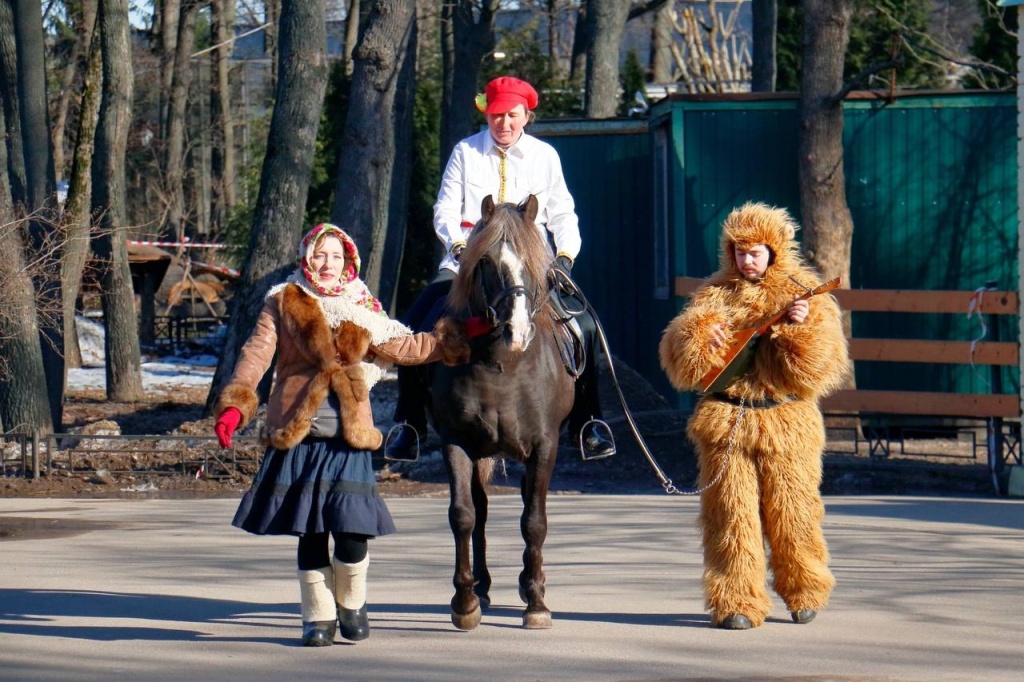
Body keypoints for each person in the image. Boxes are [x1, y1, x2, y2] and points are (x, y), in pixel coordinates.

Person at [213, 223, 467, 647]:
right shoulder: (283, 300)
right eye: (319, 254)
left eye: (336, 256)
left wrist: (458, 341)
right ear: (306, 257)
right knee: (310, 532)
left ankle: (351, 602)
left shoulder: (363, 307)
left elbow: (407, 348)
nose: (327, 263)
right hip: (300, 432)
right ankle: (317, 617)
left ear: (348, 262)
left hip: (349, 435)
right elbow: (256, 355)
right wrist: (235, 407)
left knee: (352, 533)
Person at [387, 75, 615, 461]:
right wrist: (458, 247)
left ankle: (588, 421)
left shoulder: (545, 156)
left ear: (527, 116)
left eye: (511, 115)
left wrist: (564, 257)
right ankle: (409, 423)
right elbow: (444, 207)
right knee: (417, 321)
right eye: (496, 116)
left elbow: (563, 212)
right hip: (469, 262)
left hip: (531, 265)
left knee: (586, 327)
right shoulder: (465, 151)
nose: (503, 124)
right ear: (486, 116)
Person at [658, 202, 850, 630]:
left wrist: (799, 330)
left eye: (756, 252)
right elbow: (682, 366)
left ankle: (804, 589)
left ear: (775, 250)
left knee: (794, 512)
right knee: (730, 517)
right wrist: (703, 336)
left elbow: (819, 372)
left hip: (787, 423)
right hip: (728, 424)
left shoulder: (805, 292)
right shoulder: (713, 294)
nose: (748, 260)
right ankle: (736, 601)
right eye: (740, 252)